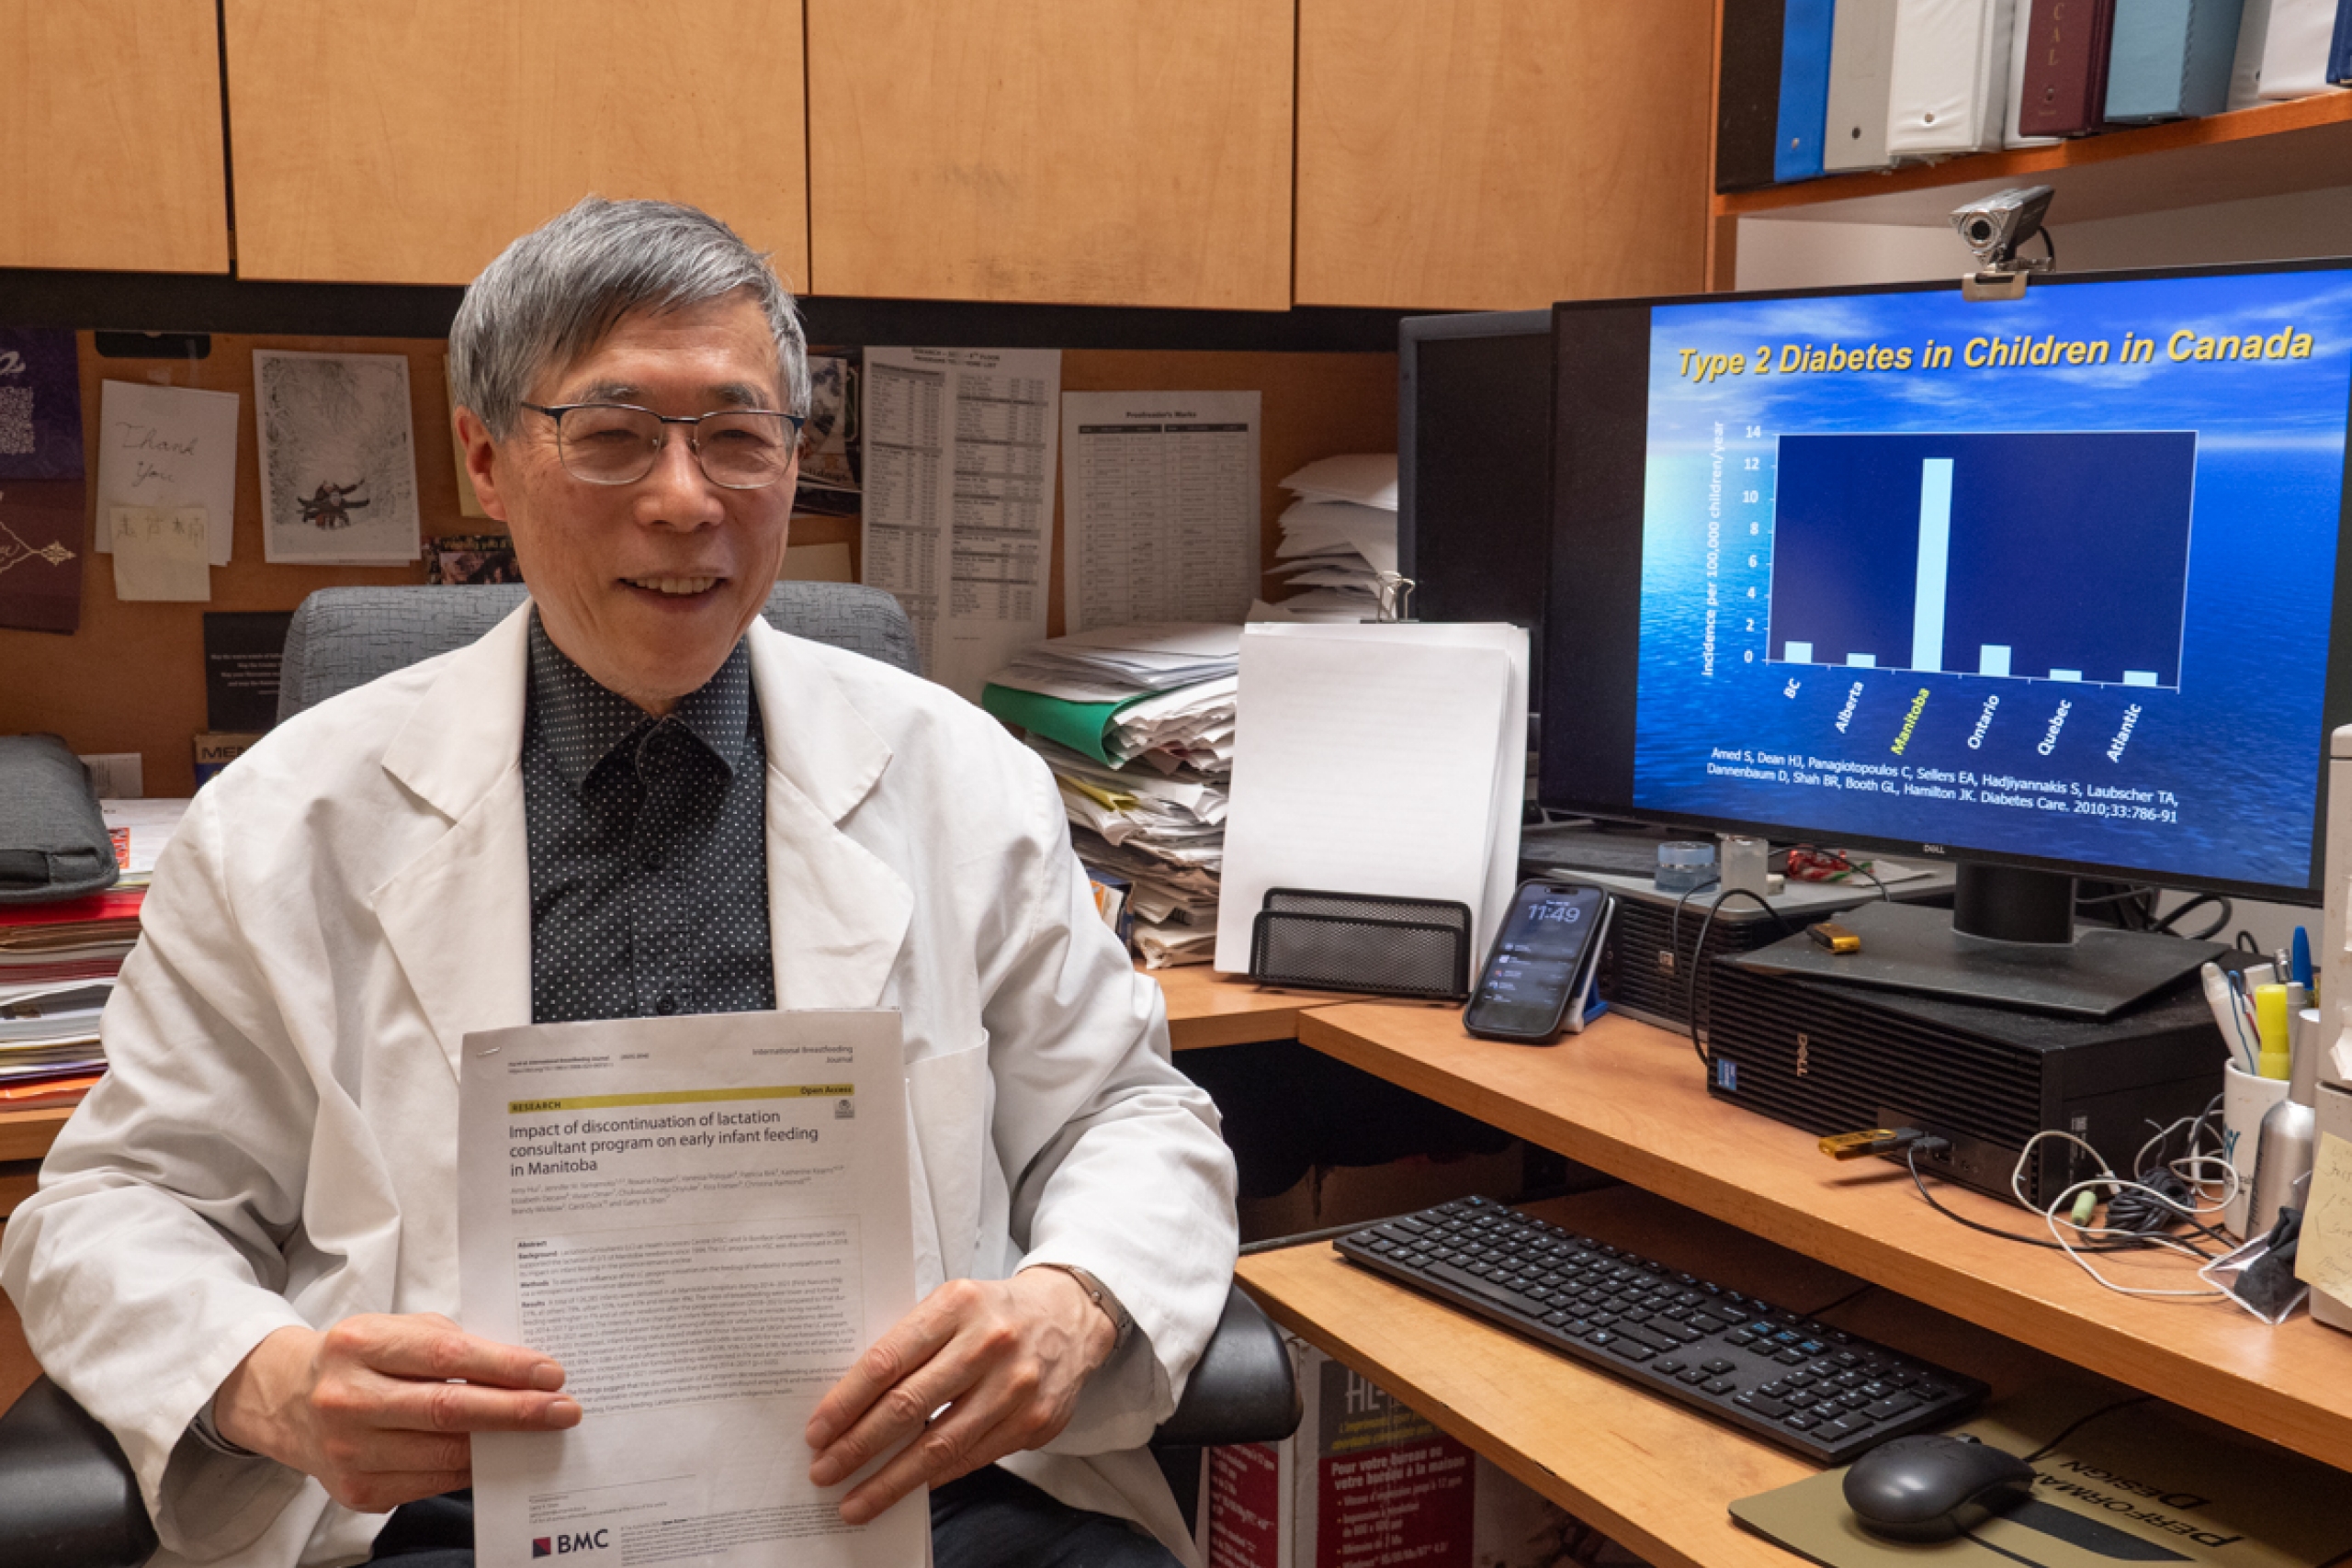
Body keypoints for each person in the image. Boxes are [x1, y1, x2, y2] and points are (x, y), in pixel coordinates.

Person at [0, 197, 1238, 1568]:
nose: (686, 499)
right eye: (611, 436)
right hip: (461, 1518)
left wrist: (1074, 1300)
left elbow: (1130, 1116)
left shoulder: (960, 776)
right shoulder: (284, 824)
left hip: (917, 1493)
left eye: (737, 435)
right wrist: (266, 1382)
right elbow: (114, 1208)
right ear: (485, 457)